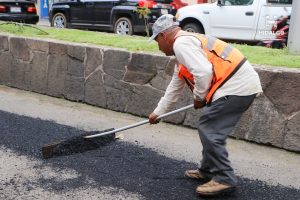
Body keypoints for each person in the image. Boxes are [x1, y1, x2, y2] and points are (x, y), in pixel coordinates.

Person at [148, 14, 262, 197]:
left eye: (156, 42)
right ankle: (208, 170)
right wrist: (158, 112)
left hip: (235, 87)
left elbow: (203, 71)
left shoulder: (181, 43)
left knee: (209, 129)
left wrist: (199, 97)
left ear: (163, 36)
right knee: (209, 127)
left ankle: (224, 178)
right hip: (237, 85)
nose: (159, 47)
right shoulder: (185, 48)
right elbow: (175, 87)